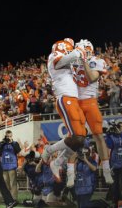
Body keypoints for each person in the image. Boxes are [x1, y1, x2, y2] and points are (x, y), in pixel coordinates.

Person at [42, 38, 89, 182]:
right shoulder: (53, 58)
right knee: (76, 136)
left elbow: (84, 79)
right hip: (65, 98)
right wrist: (77, 52)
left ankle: (56, 163)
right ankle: (49, 150)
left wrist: (84, 57)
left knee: (81, 137)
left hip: (75, 99)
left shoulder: (70, 62)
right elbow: (60, 61)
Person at [70, 39, 114, 186]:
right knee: (75, 138)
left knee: (98, 135)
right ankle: (70, 172)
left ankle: (106, 170)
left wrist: (83, 62)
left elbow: (93, 77)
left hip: (90, 101)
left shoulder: (96, 61)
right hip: (76, 102)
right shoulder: (72, 62)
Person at [106, 121, 122, 205]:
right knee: (115, 185)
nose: (119, 128)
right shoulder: (112, 136)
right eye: (118, 126)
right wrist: (108, 135)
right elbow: (109, 145)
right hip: (115, 165)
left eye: (121, 126)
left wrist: (121, 133)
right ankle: (116, 203)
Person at [0, 130, 21, 200]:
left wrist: (11, 142)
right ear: (5, 136)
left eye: (10, 136)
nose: (8, 138)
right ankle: (7, 198)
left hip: (12, 166)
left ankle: (14, 198)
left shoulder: (15, 143)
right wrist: (3, 143)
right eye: (7, 136)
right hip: (4, 167)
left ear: (12, 136)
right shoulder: (2, 144)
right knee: (6, 184)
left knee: (13, 184)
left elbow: (18, 150)